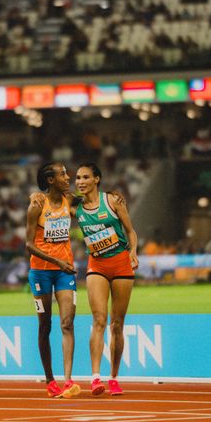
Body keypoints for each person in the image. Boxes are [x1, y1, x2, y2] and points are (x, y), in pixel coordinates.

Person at [74, 162, 138, 396]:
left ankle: (114, 377)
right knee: (99, 319)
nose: (80, 181)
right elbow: (53, 199)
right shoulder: (75, 206)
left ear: (96, 179)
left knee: (117, 324)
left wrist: (133, 251)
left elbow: (130, 230)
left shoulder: (112, 201)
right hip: (97, 265)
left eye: (85, 177)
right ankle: (95, 378)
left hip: (121, 264)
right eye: (77, 178)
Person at [26, 162, 81, 399]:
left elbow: (91, 196)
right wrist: (56, 261)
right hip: (41, 273)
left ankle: (68, 381)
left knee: (67, 323)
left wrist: (115, 197)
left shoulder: (70, 200)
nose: (68, 177)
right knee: (45, 325)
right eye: (63, 174)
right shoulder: (37, 206)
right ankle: (50, 380)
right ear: (50, 180)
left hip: (64, 273)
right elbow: (28, 245)